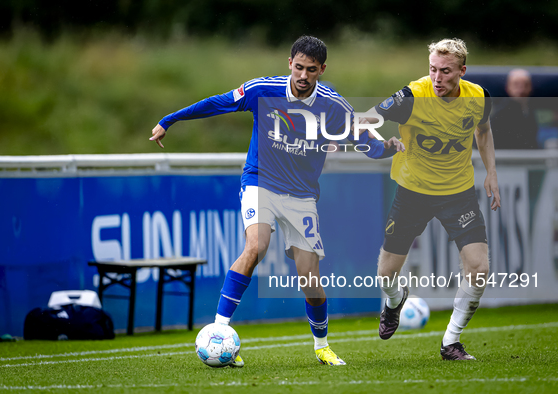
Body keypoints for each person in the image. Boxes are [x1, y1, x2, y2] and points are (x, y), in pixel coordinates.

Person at [150, 35, 404, 367]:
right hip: (261, 182)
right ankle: (220, 331)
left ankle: (322, 345)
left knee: (309, 279)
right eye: (298, 67)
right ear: (289, 64)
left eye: (310, 70)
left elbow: (362, 137)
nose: (302, 75)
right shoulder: (262, 90)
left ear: (321, 70)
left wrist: (387, 149)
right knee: (255, 246)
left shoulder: (334, 105)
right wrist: (169, 119)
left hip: (302, 195)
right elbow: (218, 102)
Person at [369, 38, 501, 360]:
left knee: (479, 268)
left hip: (458, 193)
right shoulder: (412, 95)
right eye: (432, 70)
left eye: (445, 71)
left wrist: (491, 172)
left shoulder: (479, 97)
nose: (437, 78)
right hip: (413, 190)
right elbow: (365, 120)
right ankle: (395, 300)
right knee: (386, 274)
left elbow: (482, 131)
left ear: (462, 71)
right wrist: (379, 143)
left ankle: (450, 342)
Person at [490, 68, 538, 149]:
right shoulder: (499, 112)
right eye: (516, 85)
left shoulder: (533, 107)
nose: (521, 90)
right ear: (508, 87)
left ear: (531, 87)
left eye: (525, 85)